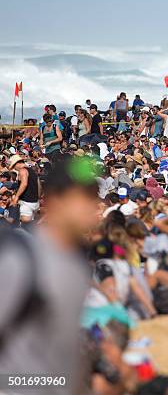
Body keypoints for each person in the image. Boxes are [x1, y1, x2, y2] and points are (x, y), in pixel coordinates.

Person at [0, 157, 100, 395]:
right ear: (55, 201)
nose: (91, 206)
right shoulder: (21, 258)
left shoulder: (77, 264)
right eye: (81, 197)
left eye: (93, 196)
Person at [8, 154, 40, 224]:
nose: (14, 168)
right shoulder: (32, 171)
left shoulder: (22, 170)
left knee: (25, 224)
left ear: (17, 163)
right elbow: (39, 185)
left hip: (26, 202)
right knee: (31, 225)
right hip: (35, 202)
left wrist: (16, 197)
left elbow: (24, 184)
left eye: (14, 166)